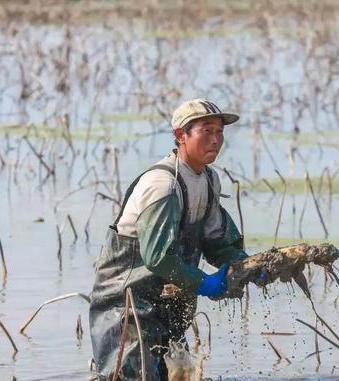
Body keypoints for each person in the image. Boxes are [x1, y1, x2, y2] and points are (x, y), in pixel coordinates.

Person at [89, 98, 249, 380]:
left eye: (220, 132)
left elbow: (217, 240)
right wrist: (205, 283)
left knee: (182, 376)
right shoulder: (163, 185)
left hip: (169, 304)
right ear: (180, 136)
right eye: (206, 131)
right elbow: (157, 257)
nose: (216, 139)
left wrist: (244, 266)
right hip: (127, 307)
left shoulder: (208, 180)